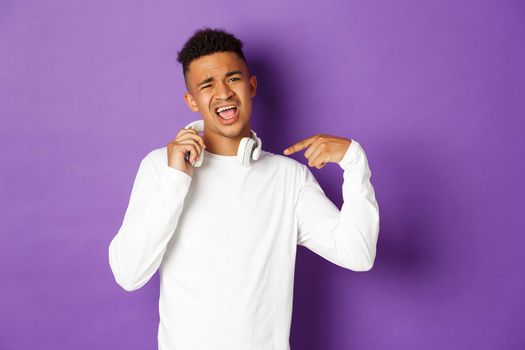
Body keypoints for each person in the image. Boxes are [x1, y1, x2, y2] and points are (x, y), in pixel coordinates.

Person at [108, 27, 380, 350]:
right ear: (191, 100)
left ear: (251, 86)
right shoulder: (161, 168)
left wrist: (353, 161)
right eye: (207, 85)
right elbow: (128, 273)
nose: (223, 93)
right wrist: (175, 181)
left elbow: (358, 253)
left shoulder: (287, 178)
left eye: (232, 79)